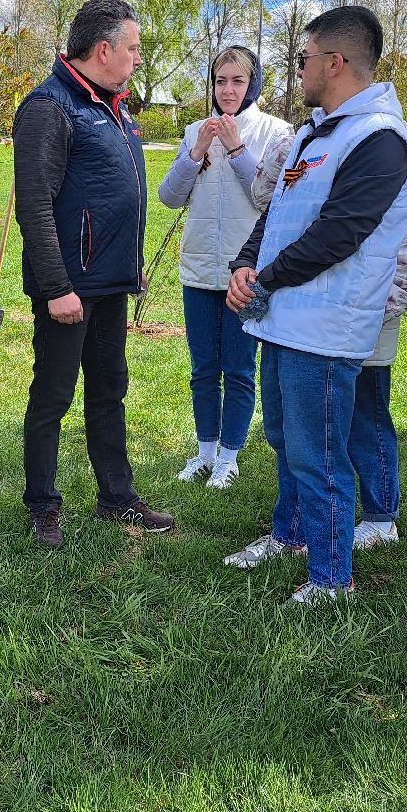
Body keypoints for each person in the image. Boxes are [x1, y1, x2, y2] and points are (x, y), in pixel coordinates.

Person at [223, 5, 407, 605]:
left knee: (320, 453)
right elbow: (278, 215)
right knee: (284, 439)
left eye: (304, 59)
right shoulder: (314, 132)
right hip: (285, 319)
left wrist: (264, 280)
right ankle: (291, 535)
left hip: (328, 329)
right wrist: (243, 264)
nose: (298, 69)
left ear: (335, 62)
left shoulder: (380, 140)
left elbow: (340, 233)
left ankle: (332, 578)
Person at [14, 0, 176, 549]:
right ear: (103, 50)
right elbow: (34, 205)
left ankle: (116, 497)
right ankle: (42, 506)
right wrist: (58, 287)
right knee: (54, 397)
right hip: (69, 289)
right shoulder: (49, 107)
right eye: (131, 49)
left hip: (109, 285)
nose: (136, 59)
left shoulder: (112, 106)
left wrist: (129, 265)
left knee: (109, 392)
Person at [158, 45, 292, 489]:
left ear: (252, 84)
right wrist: (196, 151)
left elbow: (270, 197)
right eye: (220, 81)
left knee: (238, 368)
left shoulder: (275, 133)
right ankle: (204, 452)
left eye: (237, 81)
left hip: (246, 274)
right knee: (202, 368)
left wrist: (236, 149)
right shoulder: (198, 130)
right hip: (198, 268)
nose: (228, 90)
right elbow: (170, 197)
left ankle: (230, 457)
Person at [346, 177, 407, 549]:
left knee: (367, 416)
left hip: (367, 320)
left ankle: (381, 518)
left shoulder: (396, 166)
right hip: (320, 322)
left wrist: (363, 313)